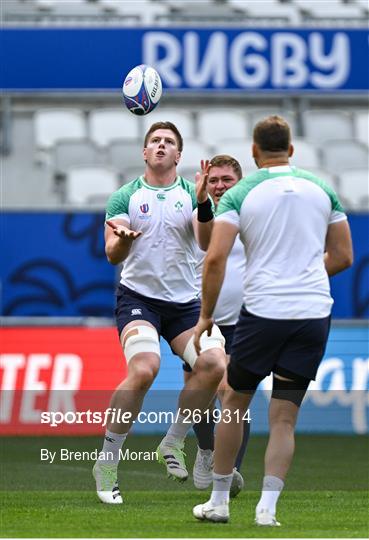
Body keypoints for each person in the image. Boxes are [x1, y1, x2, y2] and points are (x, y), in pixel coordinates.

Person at [192, 115, 353, 525]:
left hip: (265, 312)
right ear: (292, 149)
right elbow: (344, 256)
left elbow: (215, 257)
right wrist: (308, 274)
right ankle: (267, 509)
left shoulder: (240, 194)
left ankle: (220, 501)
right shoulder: (323, 189)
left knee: (233, 400)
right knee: (284, 417)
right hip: (314, 313)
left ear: (253, 151)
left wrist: (207, 315)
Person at [93, 121, 227, 504]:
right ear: (145, 152)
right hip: (139, 300)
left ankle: (172, 440)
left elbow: (204, 242)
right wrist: (121, 240)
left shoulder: (192, 193)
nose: (162, 145)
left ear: (179, 155)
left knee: (215, 365)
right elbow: (111, 254)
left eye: (169, 141)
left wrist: (204, 202)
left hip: (185, 306)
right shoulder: (126, 196)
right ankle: (106, 462)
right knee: (143, 369)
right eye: (155, 140)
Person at [160, 155, 250, 496]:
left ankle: (228, 473)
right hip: (201, 319)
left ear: (239, 182)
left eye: (226, 179)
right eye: (213, 180)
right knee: (201, 390)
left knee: (233, 393)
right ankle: (208, 453)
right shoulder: (199, 215)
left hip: (244, 321)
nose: (220, 185)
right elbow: (204, 242)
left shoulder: (252, 216)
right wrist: (200, 201)